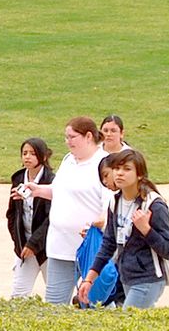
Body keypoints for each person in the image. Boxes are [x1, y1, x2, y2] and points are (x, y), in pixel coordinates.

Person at [25, 116, 110, 305]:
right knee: (54, 304)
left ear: (88, 136)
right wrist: (37, 190)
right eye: (66, 137)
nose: (67, 142)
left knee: (95, 303)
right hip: (59, 245)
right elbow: (59, 191)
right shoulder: (68, 160)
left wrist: (99, 223)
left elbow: (110, 204)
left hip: (90, 247)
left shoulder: (104, 163)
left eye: (72, 137)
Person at [78, 149, 169, 309]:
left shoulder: (153, 205)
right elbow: (108, 245)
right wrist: (89, 279)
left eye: (127, 169)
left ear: (139, 175)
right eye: (117, 168)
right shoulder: (114, 202)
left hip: (147, 279)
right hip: (126, 277)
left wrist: (146, 230)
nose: (120, 173)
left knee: (127, 325)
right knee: (139, 330)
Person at [6, 137, 55, 298]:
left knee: (56, 294)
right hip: (24, 247)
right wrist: (19, 241)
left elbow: (51, 217)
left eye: (32, 153)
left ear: (43, 156)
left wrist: (34, 244)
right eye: (24, 153)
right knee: (18, 294)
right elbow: (12, 213)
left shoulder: (51, 181)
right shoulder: (18, 178)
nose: (27, 157)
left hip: (48, 247)